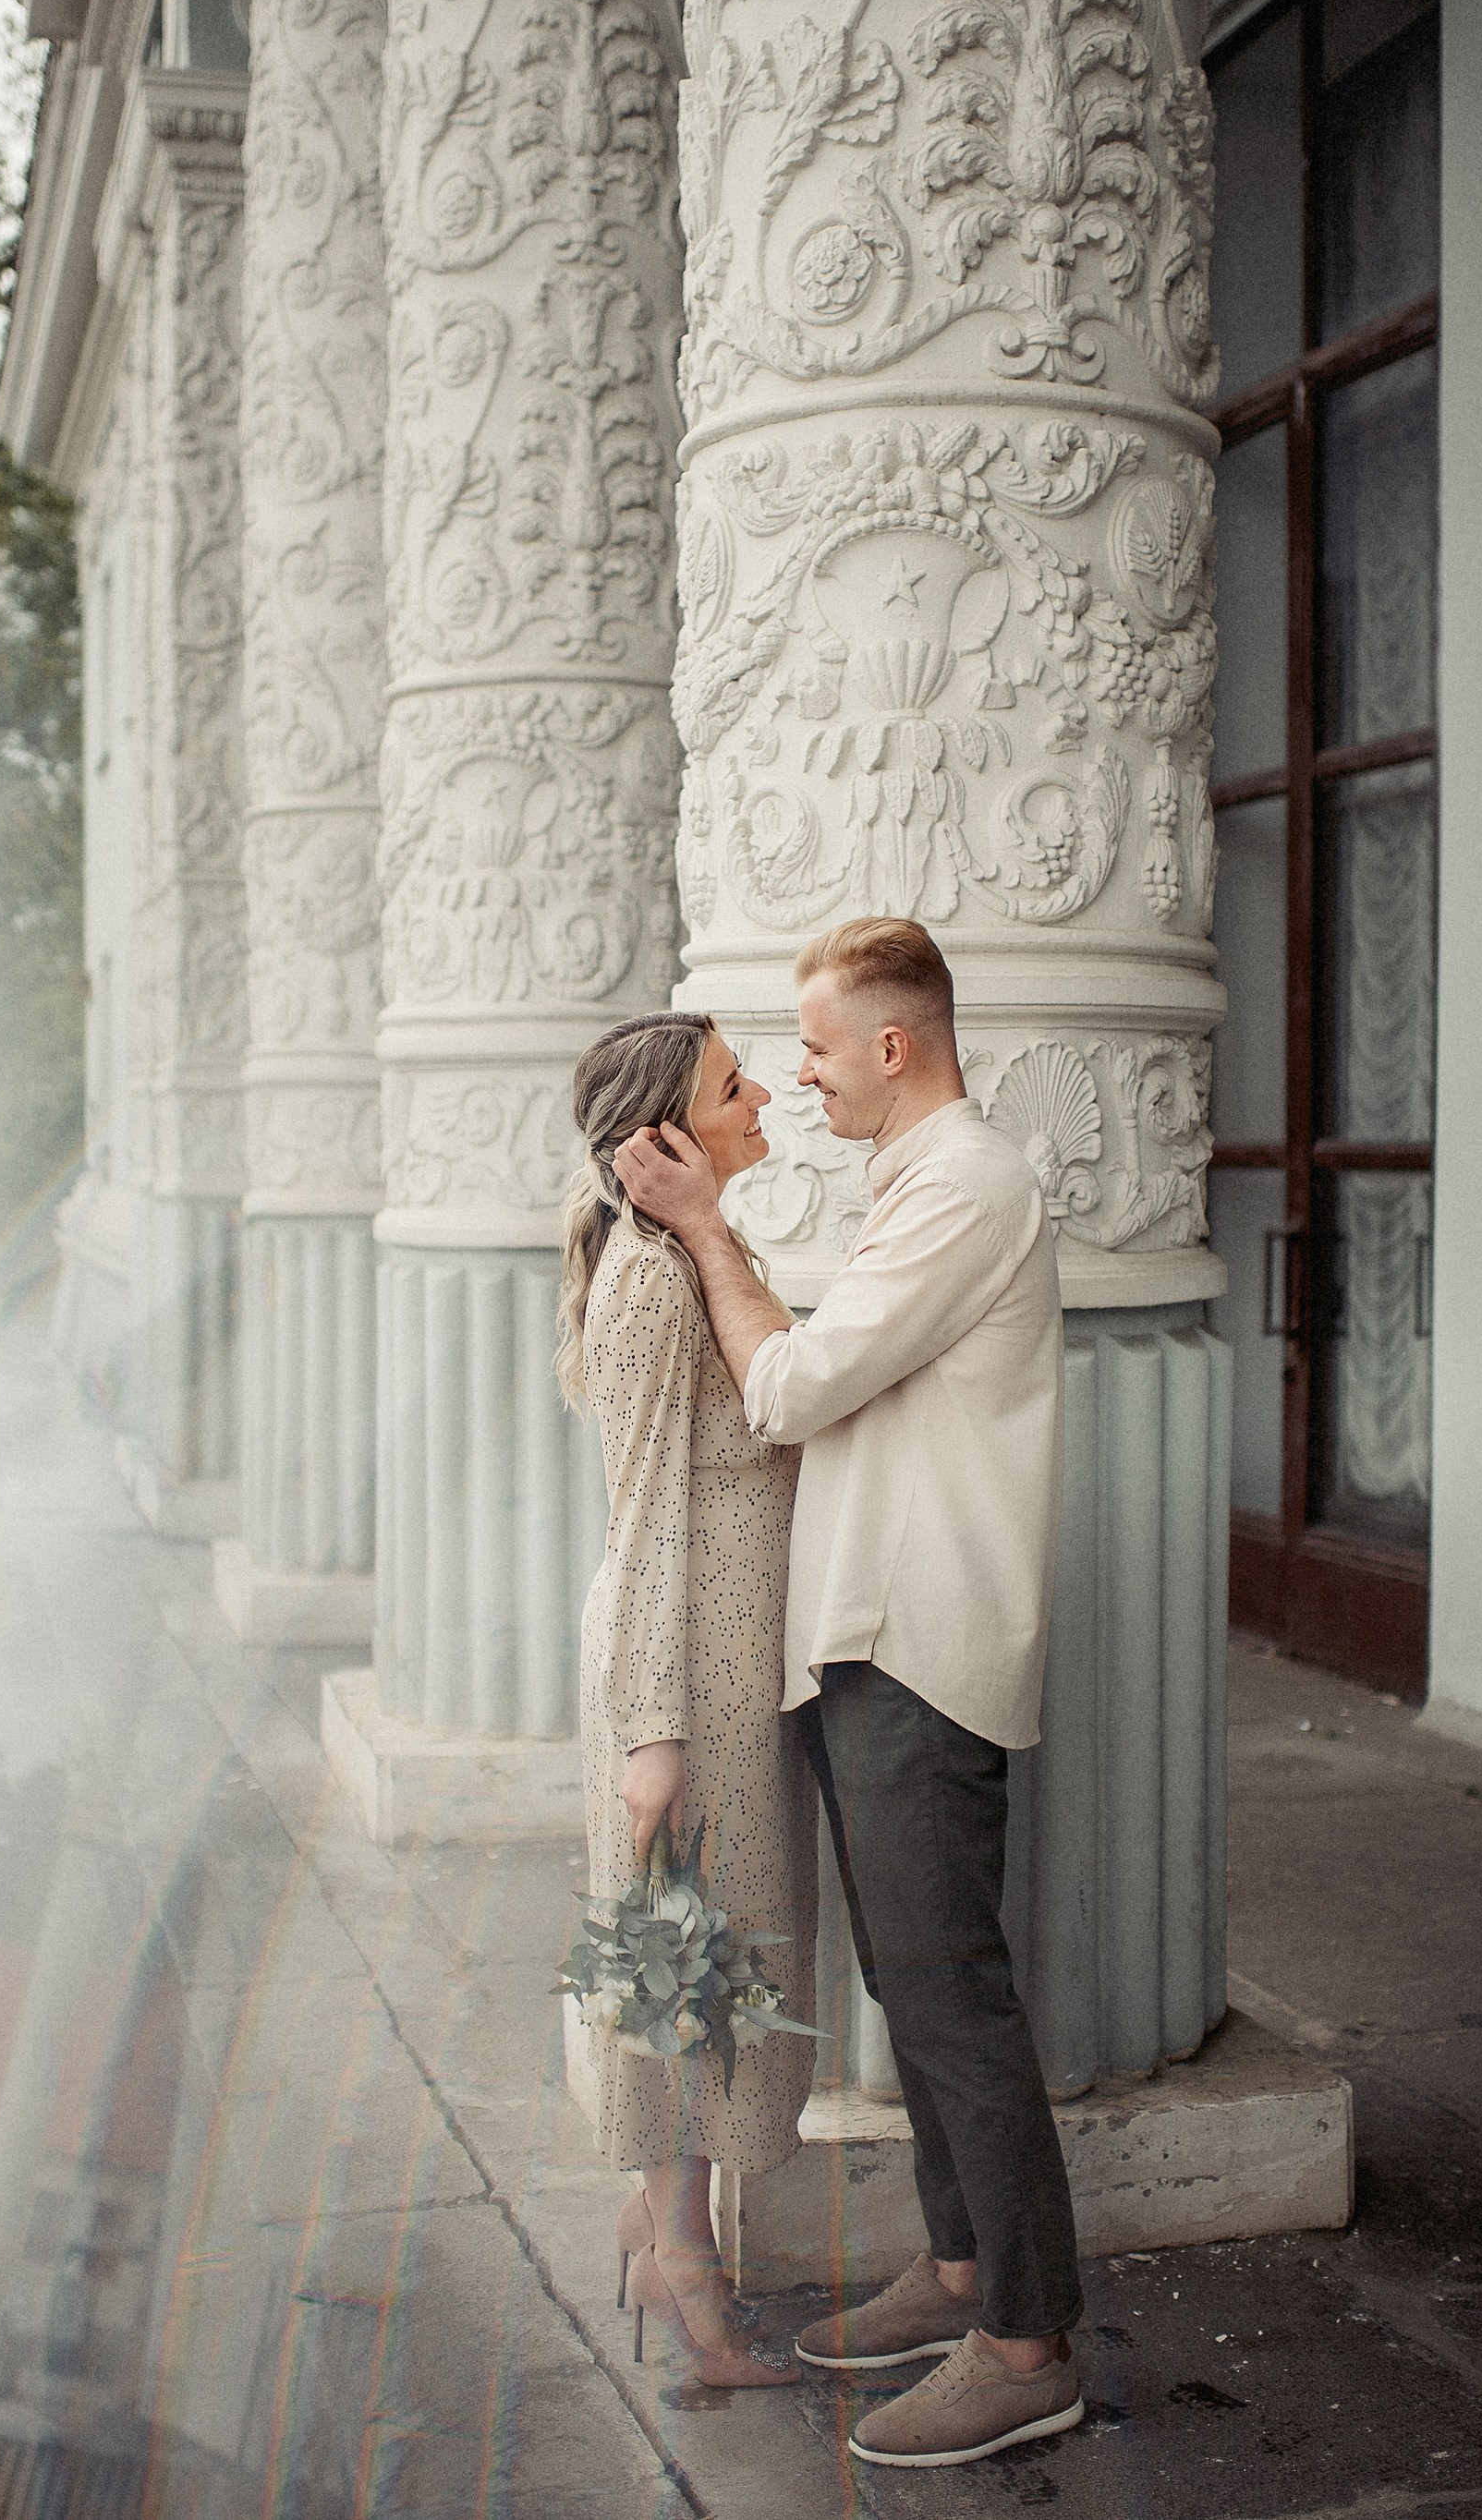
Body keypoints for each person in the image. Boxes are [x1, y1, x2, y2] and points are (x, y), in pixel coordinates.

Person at [613, 916, 1085, 2472]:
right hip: (867, 1646)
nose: (800, 1077)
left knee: (952, 1996)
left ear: (894, 1047)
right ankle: (961, 2274)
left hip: (921, 1649)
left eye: (814, 1049)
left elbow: (795, 1386)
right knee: (912, 1981)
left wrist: (708, 1238)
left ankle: (1025, 2344)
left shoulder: (966, 1183)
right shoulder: (921, 1186)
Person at [559, 1010, 817, 2389]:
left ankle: (665, 2230)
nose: (761, 1092)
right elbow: (645, 1508)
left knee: (701, 1965)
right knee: (685, 1976)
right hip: (684, 1672)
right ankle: (687, 2268)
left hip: (715, 1662)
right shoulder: (655, 1278)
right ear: (663, 1135)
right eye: (732, 1086)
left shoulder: (682, 1252)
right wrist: (652, 1734)